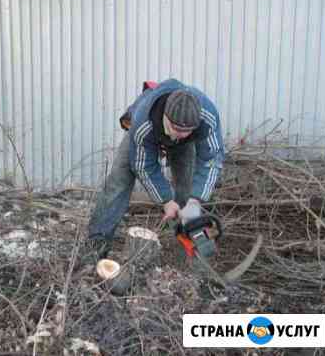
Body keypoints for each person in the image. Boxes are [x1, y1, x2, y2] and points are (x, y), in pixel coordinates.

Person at [80, 78, 225, 266]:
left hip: (185, 143)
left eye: (186, 131)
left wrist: (195, 199)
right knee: (119, 181)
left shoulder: (207, 117)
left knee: (187, 190)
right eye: (176, 128)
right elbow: (143, 165)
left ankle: (190, 254)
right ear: (166, 117)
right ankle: (96, 245)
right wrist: (165, 199)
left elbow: (212, 159)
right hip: (146, 134)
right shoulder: (143, 123)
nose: (179, 134)